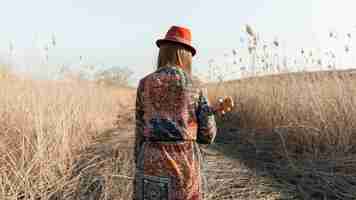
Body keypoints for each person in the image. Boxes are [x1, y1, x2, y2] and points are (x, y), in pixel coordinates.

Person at [133, 26, 233, 200]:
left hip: (150, 160)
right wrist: (210, 113)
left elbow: (139, 130)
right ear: (187, 55)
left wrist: (140, 161)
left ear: (163, 52)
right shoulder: (196, 85)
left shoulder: (144, 83)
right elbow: (207, 136)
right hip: (184, 164)